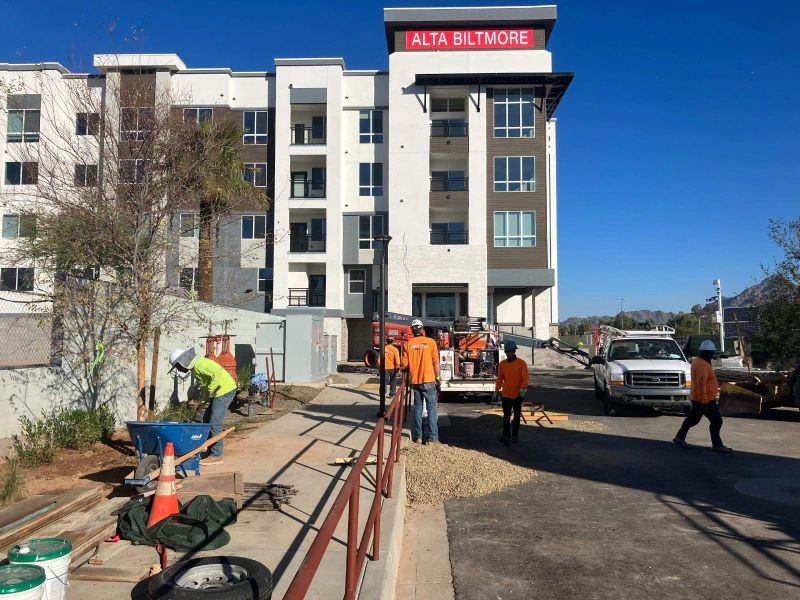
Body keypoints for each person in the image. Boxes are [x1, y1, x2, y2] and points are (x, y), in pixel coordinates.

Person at [169, 347, 238, 464]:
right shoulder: (195, 368)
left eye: (177, 366)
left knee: (215, 422)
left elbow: (217, 373)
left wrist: (211, 390)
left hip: (225, 390)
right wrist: (202, 403)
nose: (178, 370)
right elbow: (206, 386)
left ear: (182, 362)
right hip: (218, 391)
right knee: (206, 420)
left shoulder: (200, 364)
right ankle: (209, 450)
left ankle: (217, 455)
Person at [673, 340, 733, 452]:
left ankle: (680, 436)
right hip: (705, 399)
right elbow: (701, 383)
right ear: (707, 353)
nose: (712, 355)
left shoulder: (698, 361)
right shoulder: (703, 365)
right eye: (711, 353)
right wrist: (705, 401)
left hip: (698, 397)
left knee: (694, 419)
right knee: (716, 421)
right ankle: (717, 445)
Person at [401, 319, 443, 445]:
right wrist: (438, 378)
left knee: (418, 409)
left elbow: (404, 365)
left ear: (412, 330)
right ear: (422, 329)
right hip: (429, 380)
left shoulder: (407, 345)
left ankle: (418, 437)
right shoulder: (431, 342)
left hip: (415, 381)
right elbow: (436, 363)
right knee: (431, 409)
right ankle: (433, 438)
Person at [494, 340, 529, 445]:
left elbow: (525, 377)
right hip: (506, 395)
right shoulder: (502, 364)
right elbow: (500, 378)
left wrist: (523, 388)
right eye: (506, 351)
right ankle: (506, 436)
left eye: (510, 351)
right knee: (506, 416)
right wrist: (496, 390)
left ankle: (515, 436)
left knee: (517, 416)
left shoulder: (521, 363)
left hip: (518, 394)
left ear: (514, 351)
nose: (508, 353)